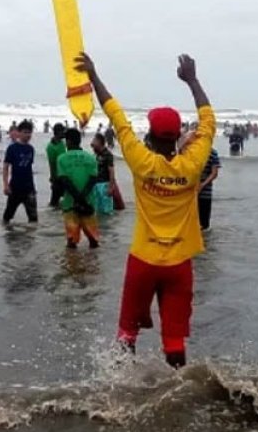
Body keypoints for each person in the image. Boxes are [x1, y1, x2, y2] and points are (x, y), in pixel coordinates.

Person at [76, 52, 214, 368]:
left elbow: (116, 117)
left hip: (143, 261)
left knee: (127, 333)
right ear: (179, 135)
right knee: (175, 340)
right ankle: (178, 396)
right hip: (180, 264)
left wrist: (94, 75)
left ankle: (124, 393)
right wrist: (192, 80)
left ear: (149, 136)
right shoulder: (193, 165)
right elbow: (208, 121)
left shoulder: (141, 161)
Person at [56, 128, 100, 249]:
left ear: (69, 142)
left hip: (70, 204)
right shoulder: (91, 158)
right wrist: (83, 199)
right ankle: (93, 265)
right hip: (88, 203)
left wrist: (77, 198)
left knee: (72, 242)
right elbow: (93, 179)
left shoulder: (61, 158)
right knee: (94, 241)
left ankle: (73, 265)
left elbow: (65, 181)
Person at [2, 120, 38, 224]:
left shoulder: (31, 149)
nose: (28, 135)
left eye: (29, 132)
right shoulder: (12, 148)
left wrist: (33, 188)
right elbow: (5, 167)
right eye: (25, 132)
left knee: (33, 218)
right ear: (19, 132)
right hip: (15, 187)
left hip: (29, 188)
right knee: (7, 217)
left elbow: (29, 169)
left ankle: (29, 239)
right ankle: (8, 237)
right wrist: (5, 185)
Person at [90, 132, 121, 215]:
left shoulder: (108, 154)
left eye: (94, 140)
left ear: (99, 142)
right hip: (96, 185)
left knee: (107, 211)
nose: (92, 142)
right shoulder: (96, 154)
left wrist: (111, 187)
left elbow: (111, 171)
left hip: (104, 185)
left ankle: (108, 227)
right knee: (97, 211)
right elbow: (91, 145)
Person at [197, 145, 221, 230]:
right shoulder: (212, 152)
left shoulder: (190, 151)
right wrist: (202, 185)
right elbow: (214, 173)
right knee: (204, 225)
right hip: (205, 191)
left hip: (189, 192)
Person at [46, 124, 67, 208]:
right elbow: (51, 164)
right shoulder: (51, 147)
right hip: (57, 176)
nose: (64, 134)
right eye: (63, 131)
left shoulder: (61, 143)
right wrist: (52, 177)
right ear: (58, 132)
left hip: (64, 174)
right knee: (54, 202)